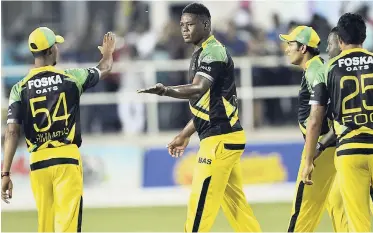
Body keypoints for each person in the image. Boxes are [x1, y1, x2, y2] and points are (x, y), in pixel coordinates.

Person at [137, 3, 261, 232]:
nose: (184, 29)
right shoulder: (202, 52)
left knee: (199, 210)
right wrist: (185, 134)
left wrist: (166, 91)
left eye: (190, 24)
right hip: (225, 136)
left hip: (219, 140)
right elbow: (209, 104)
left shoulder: (212, 51)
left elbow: (198, 89)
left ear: (206, 24)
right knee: (237, 209)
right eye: (182, 25)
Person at [1, 27, 116, 232]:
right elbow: (104, 68)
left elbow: (11, 132)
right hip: (66, 160)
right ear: (50, 50)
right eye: (56, 45)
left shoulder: (20, 87)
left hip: (38, 163)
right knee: (68, 227)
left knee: (46, 227)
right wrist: (107, 54)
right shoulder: (71, 77)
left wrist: (5, 173)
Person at [303, 13, 373, 232]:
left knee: (358, 223)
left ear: (339, 40)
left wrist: (308, 159)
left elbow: (314, 119)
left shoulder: (327, 69)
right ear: (365, 37)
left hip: (349, 152)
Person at [279, 25, 348, 232]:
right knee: (339, 208)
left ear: (303, 48)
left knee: (302, 213)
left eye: (290, 44)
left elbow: (315, 119)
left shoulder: (315, 71)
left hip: (322, 152)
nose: (286, 49)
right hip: (334, 148)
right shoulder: (317, 68)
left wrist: (310, 156)